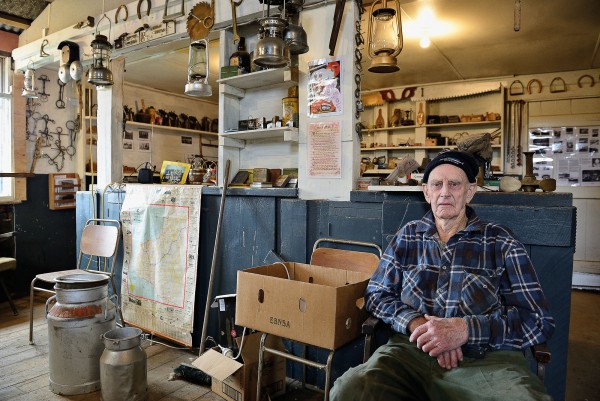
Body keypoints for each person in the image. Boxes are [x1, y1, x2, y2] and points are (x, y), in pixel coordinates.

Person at [330, 150, 555, 401]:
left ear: (470, 192)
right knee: (349, 390)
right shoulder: (408, 235)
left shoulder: (501, 241)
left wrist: (465, 330)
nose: (445, 192)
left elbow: (538, 320)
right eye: (437, 184)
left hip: (485, 361)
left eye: (455, 184)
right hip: (411, 351)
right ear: (427, 192)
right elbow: (377, 294)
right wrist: (419, 325)